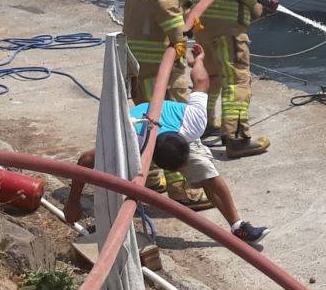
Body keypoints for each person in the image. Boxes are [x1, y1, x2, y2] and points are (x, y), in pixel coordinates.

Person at [64, 45, 269, 244]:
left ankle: (237, 226)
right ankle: (106, 224)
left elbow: (200, 80)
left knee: (208, 174)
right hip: (140, 129)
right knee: (117, 183)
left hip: (176, 126)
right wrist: (73, 202)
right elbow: (85, 161)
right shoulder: (128, 141)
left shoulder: (194, 122)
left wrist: (197, 61)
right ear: (158, 163)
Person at [123, 0, 210, 211]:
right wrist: (178, 38)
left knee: (149, 120)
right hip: (160, 58)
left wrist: (187, 24)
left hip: (137, 58)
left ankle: (149, 177)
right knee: (173, 123)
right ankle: (183, 189)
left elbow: (155, 7)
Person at [190, 0, 274, 158]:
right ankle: (236, 138)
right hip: (229, 29)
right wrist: (256, 6)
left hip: (204, 26)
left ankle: (204, 126)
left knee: (212, 77)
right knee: (236, 80)